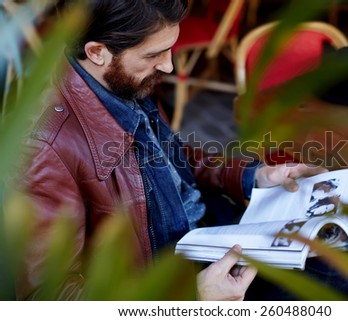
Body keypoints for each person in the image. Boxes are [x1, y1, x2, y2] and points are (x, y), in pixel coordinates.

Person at [13, 0, 329, 300]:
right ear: (97, 52)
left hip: (210, 229)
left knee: (344, 254)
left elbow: (173, 160)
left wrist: (254, 175)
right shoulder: (44, 147)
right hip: (171, 282)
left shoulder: (121, 79)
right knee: (344, 277)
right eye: (155, 54)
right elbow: (46, 296)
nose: (168, 65)